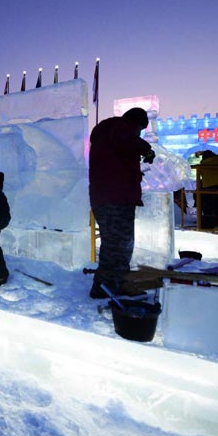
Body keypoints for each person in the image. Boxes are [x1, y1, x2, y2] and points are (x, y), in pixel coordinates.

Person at [88, 108, 155, 299]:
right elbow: (125, 140)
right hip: (115, 199)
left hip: (108, 197)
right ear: (135, 123)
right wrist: (146, 149)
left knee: (115, 243)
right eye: (140, 129)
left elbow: (117, 162)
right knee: (119, 244)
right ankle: (109, 286)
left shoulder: (107, 136)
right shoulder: (119, 127)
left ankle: (112, 284)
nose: (139, 133)